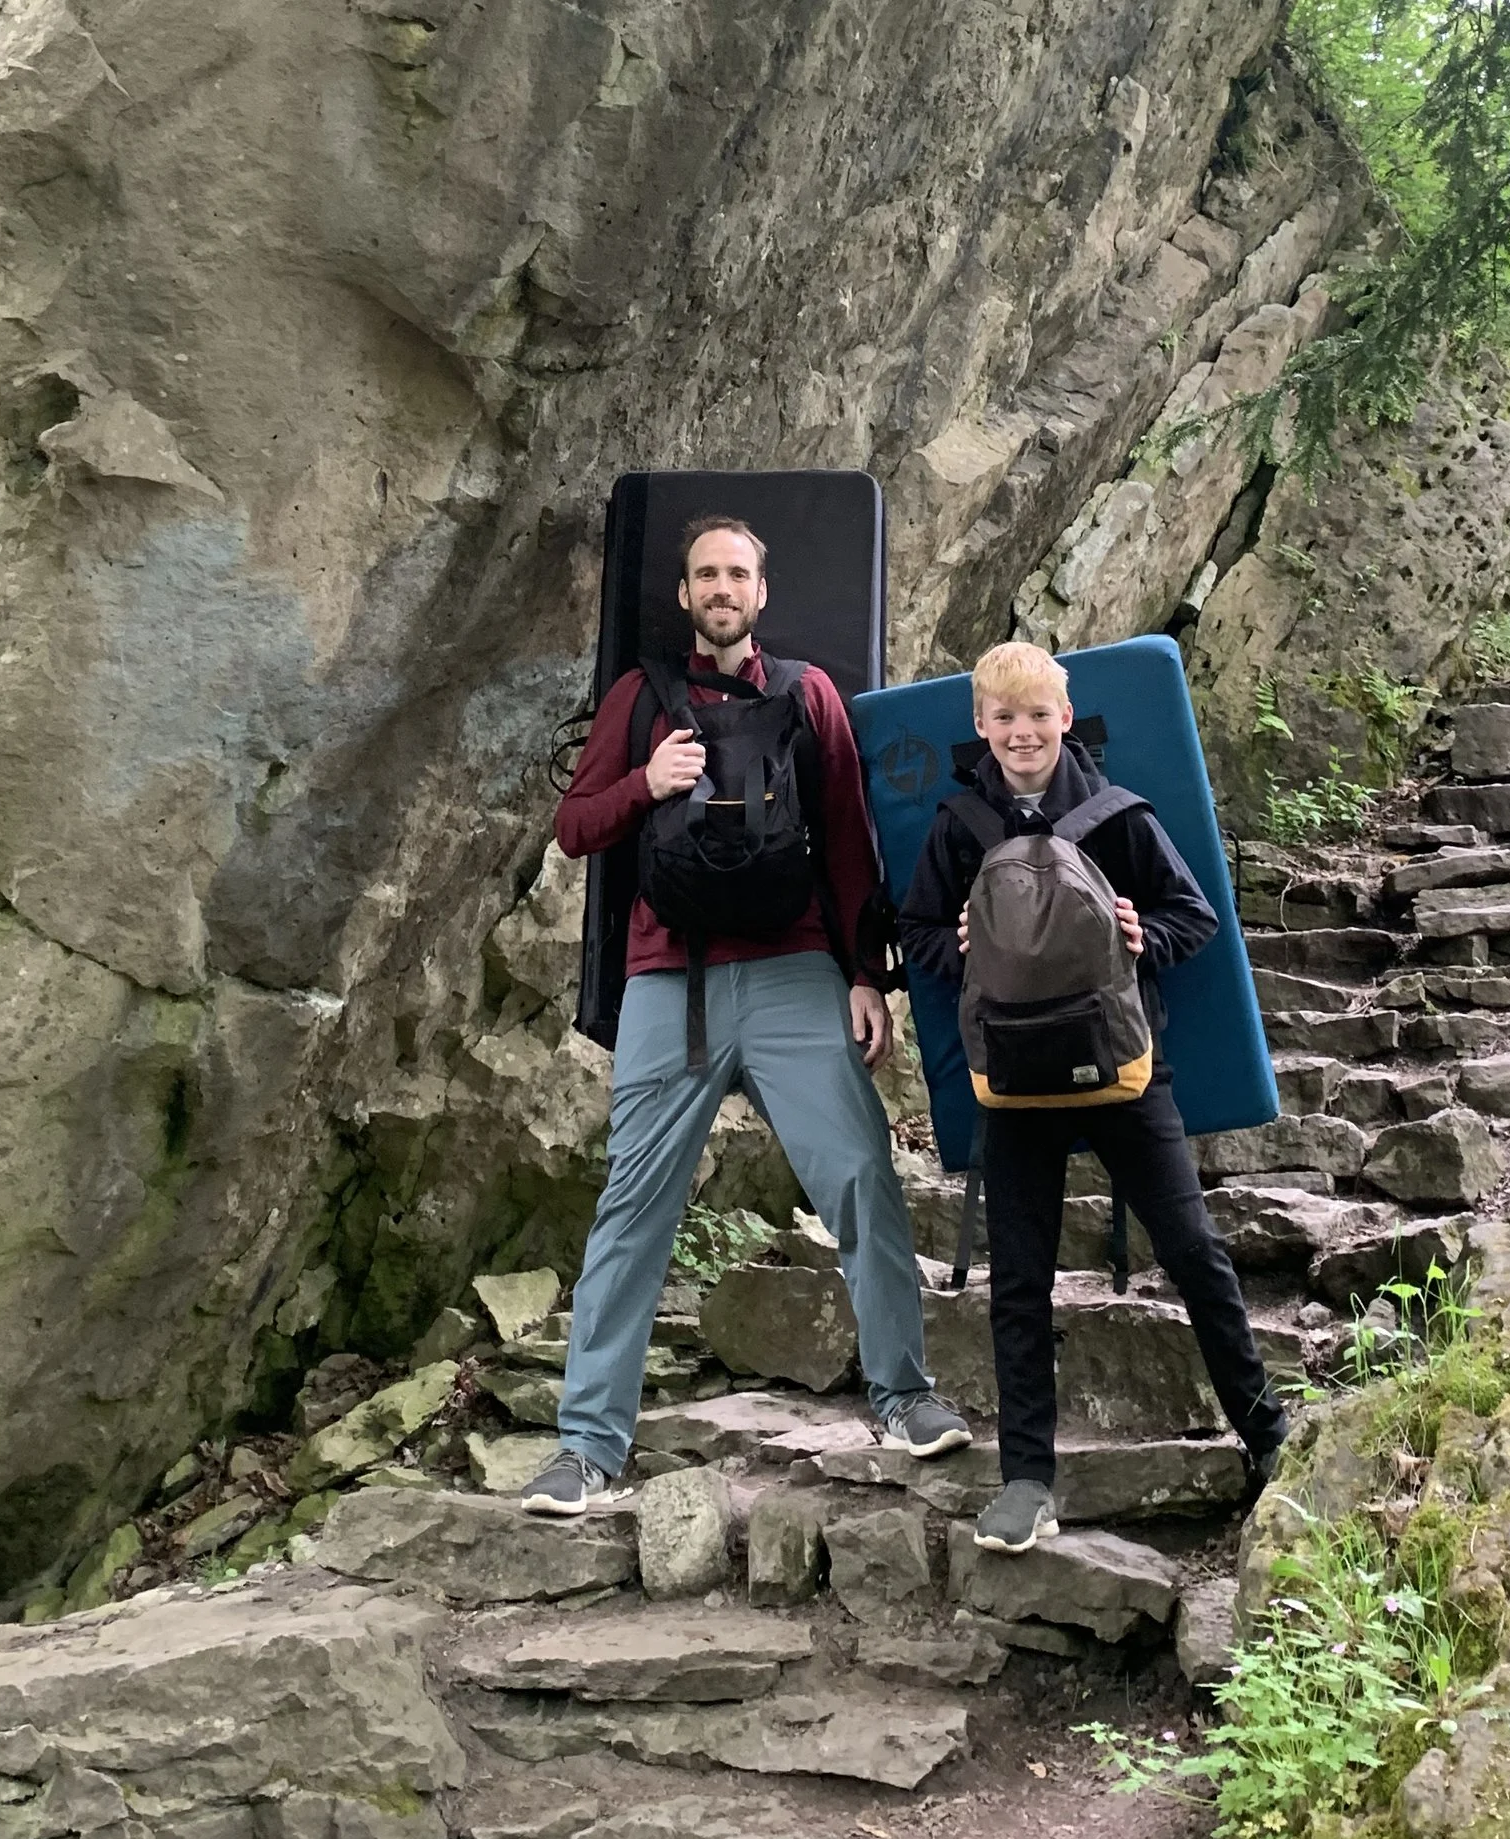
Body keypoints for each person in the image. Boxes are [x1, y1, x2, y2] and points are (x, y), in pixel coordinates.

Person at [519, 513, 971, 1515]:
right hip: (667, 978)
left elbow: (849, 838)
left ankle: (904, 1396)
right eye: (705, 575)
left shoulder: (808, 693)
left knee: (860, 1177)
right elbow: (575, 826)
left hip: (793, 971)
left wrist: (864, 975)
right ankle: (586, 1448)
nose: (721, 588)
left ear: (761, 593)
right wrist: (647, 782)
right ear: (684, 595)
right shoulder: (640, 697)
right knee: (632, 1209)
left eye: (737, 574)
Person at [897, 638, 1290, 1553]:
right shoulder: (960, 825)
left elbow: (1194, 914)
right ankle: (1027, 1481)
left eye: (1038, 715)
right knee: (1019, 1279)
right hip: (1014, 1085)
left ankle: (1266, 1431)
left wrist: (1143, 933)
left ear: (1066, 719)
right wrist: (961, 945)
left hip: (1124, 1072)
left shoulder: (1117, 814)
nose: (1022, 733)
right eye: (1005, 718)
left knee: (1193, 1249)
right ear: (981, 725)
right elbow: (915, 928)